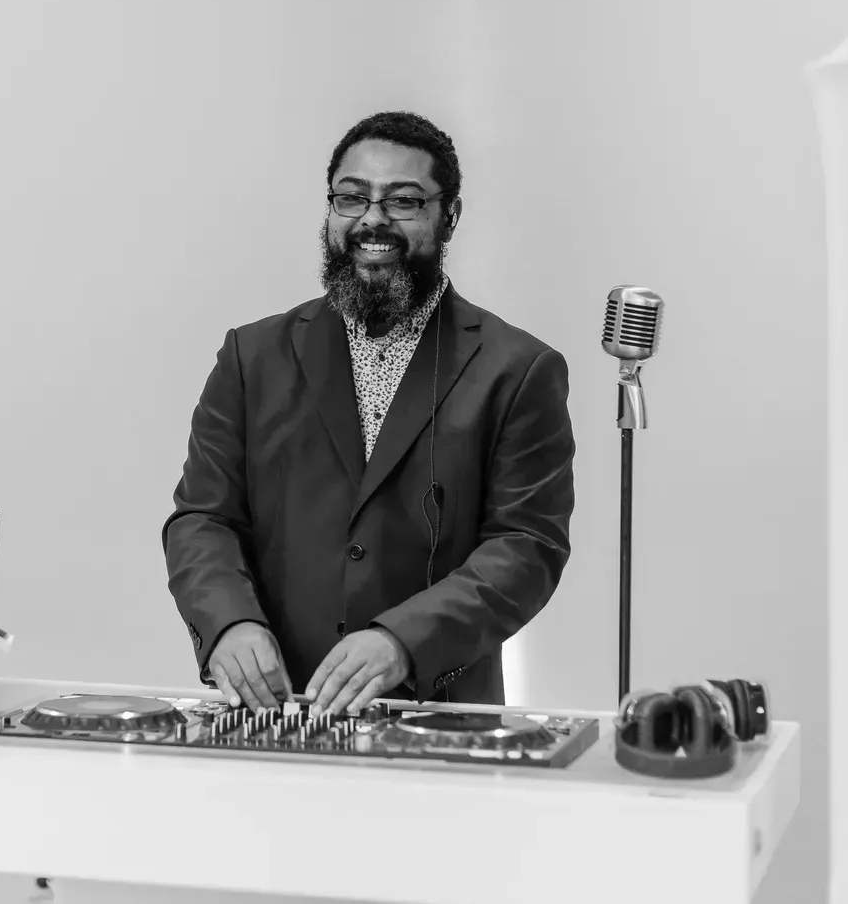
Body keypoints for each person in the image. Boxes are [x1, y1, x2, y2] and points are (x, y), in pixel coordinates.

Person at [161, 111, 575, 717]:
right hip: (275, 714)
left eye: (403, 201)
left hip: (441, 722)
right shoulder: (251, 356)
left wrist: (403, 641)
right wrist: (228, 624)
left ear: (449, 215)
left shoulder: (519, 368)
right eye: (351, 197)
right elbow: (202, 517)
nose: (372, 219)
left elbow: (527, 546)